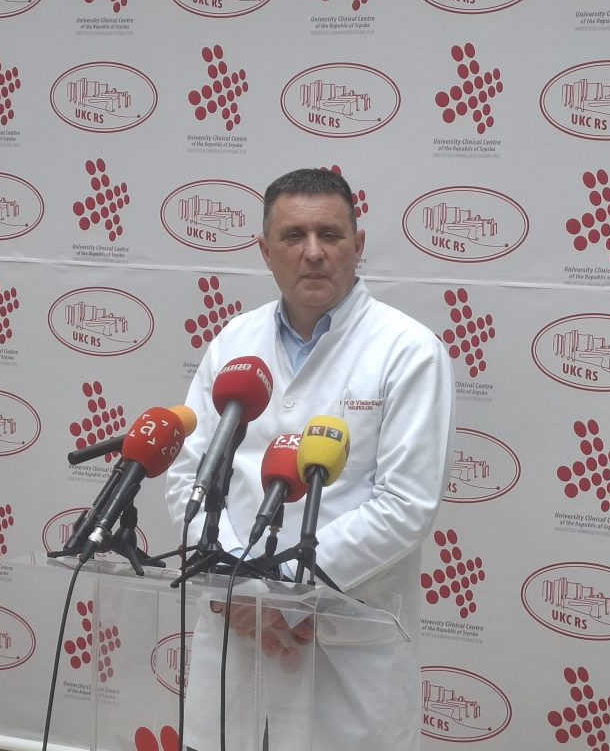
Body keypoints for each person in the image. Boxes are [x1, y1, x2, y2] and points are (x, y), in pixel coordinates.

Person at [164, 167, 455, 751]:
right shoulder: (233, 343)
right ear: (265, 251)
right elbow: (189, 480)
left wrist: (277, 592)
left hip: (344, 649)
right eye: (294, 236)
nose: (314, 252)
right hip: (236, 641)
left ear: (358, 245)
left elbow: (405, 506)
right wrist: (238, 589)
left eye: (331, 234)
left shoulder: (409, 350)